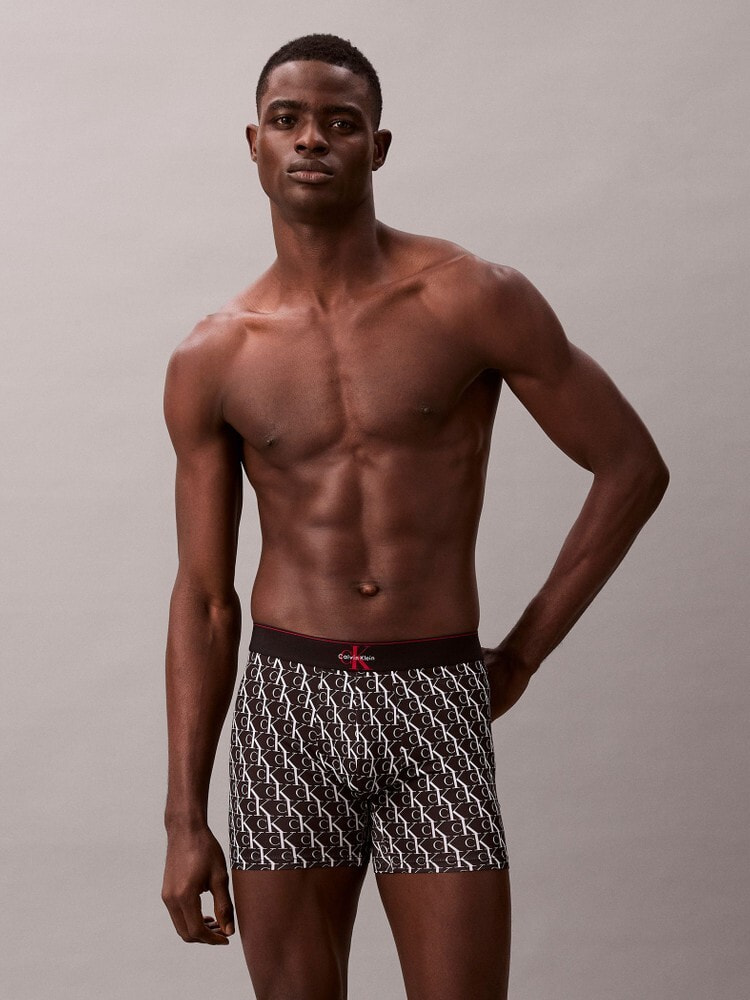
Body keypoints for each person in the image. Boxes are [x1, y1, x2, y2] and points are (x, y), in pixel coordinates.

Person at [160, 32, 669, 1000]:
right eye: (287, 120)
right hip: (289, 708)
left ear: (379, 147)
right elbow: (204, 599)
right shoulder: (215, 356)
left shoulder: (471, 298)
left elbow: (632, 467)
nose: (312, 139)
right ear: (255, 144)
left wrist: (521, 656)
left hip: (434, 695)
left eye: (340, 122)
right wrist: (185, 819)